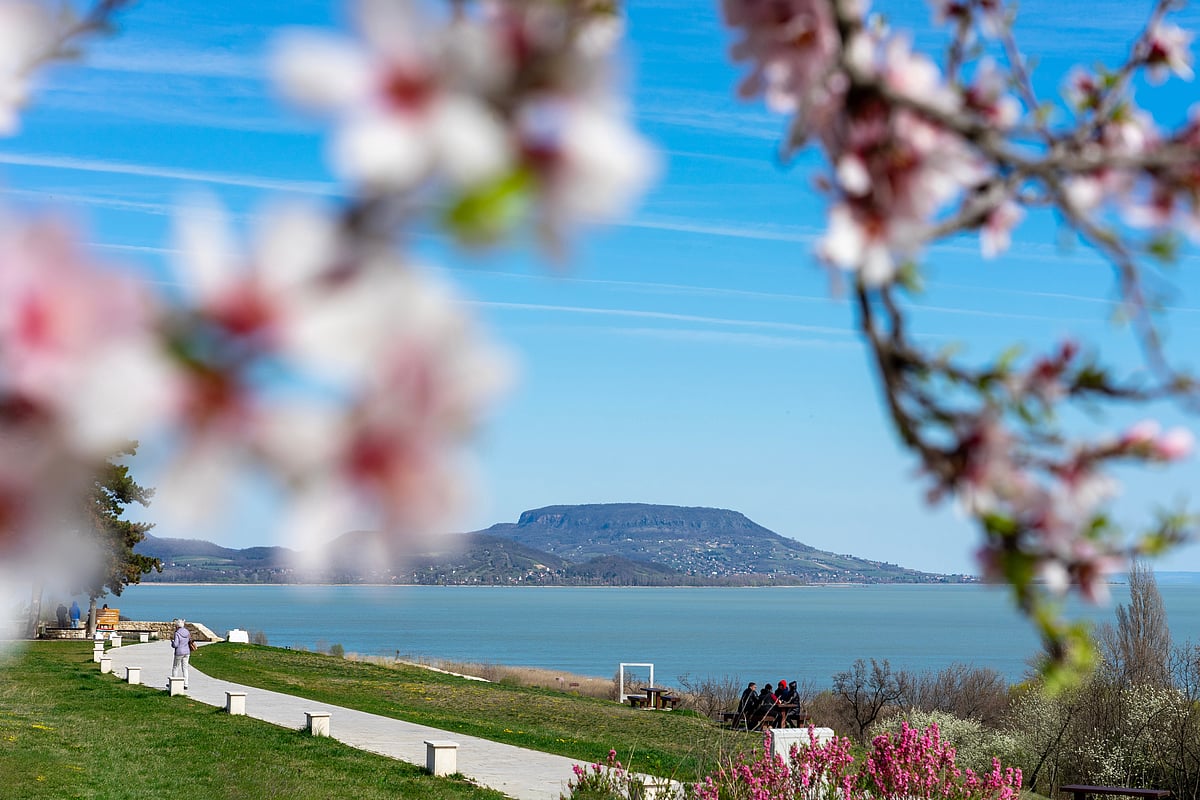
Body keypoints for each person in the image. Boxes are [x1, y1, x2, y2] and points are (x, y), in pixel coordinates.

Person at [170, 619, 192, 690]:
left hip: (179, 652)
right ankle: (186, 684)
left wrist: (172, 642)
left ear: (177, 626)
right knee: (185, 668)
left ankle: (174, 683)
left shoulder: (177, 633)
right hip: (187, 652)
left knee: (175, 667)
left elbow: (176, 644)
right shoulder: (187, 632)